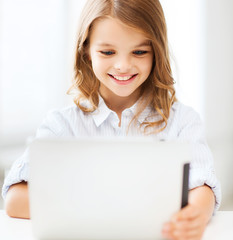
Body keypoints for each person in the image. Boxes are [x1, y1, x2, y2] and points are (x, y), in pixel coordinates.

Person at [2, 0, 221, 239]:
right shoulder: (61, 125)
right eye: (107, 52)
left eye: (139, 52)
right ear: (85, 50)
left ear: (156, 52)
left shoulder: (182, 121)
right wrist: (105, 205)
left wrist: (196, 214)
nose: (123, 65)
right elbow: (15, 199)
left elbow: (203, 188)